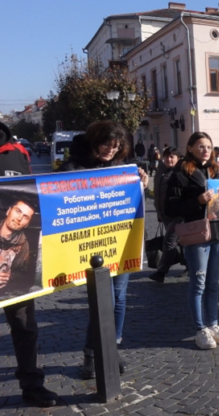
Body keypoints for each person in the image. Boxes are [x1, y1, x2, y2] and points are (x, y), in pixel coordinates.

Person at [56, 121, 148, 379]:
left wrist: (142, 182)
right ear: (95, 141)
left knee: (119, 297)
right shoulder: (73, 167)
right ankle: (91, 354)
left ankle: (112, 347)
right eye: (107, 144)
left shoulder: (121, 168)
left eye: (117, 146)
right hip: (89, 247)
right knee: (101, 302)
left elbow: (135, 200)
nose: (111, 150)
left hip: (119, 244)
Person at [0, 122, 58, 407]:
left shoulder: (17, 152)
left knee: (25, 326)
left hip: (14, 258)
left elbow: (33, 197)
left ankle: (32, 386)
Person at [166, 132, 219, 349]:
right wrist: (197, 200)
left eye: (208, 146)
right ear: (189, 148)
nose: (205, 150)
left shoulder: (215, 170)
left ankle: (214, 324)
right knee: (198, 283)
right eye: (200, 146)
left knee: (214, 284)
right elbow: (170, 208)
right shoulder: (180, 173)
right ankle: (200, 329)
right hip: (197, 234)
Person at [149, 147, 182, 283]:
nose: (169, 159)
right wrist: (159, 212)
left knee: (169, 242)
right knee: (181, 242)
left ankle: (161, 272)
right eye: (167, 156)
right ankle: (190, 266)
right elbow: (157, 194)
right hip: (164, 214)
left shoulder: (181, 172)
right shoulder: (160, 171)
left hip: (178, 215)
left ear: (178, 158)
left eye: (172, 156)